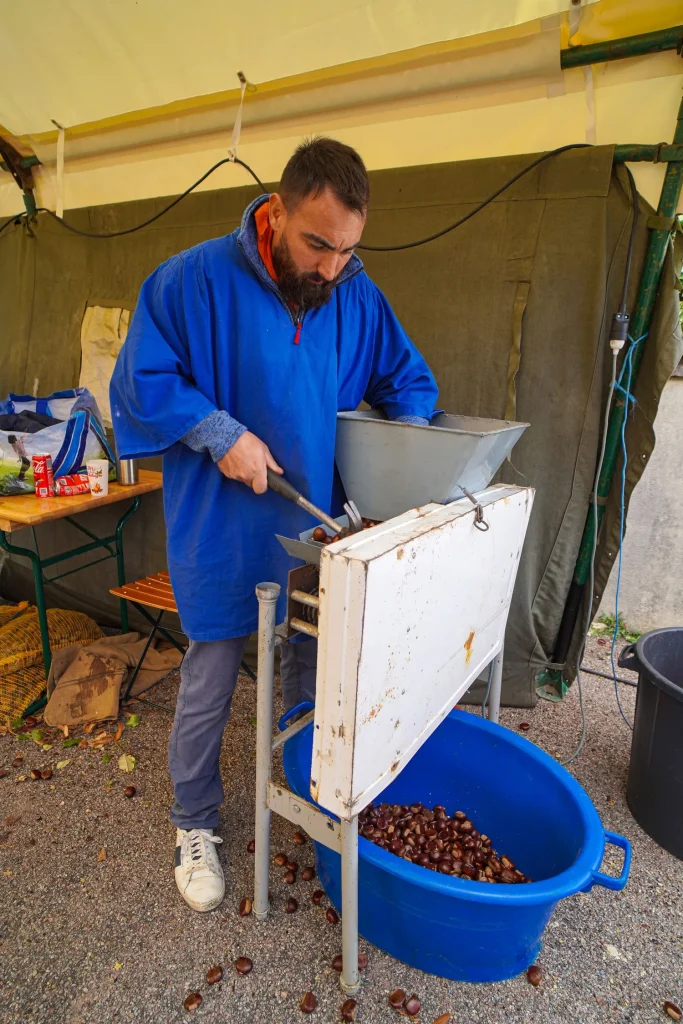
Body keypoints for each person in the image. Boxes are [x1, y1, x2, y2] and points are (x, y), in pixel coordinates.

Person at [110, 137, 438, 913]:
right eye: (315, 243)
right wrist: (216, 431)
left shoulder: (352, 289)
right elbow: (140, 377)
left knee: (307, 664)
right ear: (277, 210)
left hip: (310, 522)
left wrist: (399, 456)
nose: (329, 267)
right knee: (213, 671)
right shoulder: (191, 280)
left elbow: (408, 381)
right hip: (219, 523)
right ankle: (193, 821)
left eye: (346, 249)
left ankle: (300, 791)